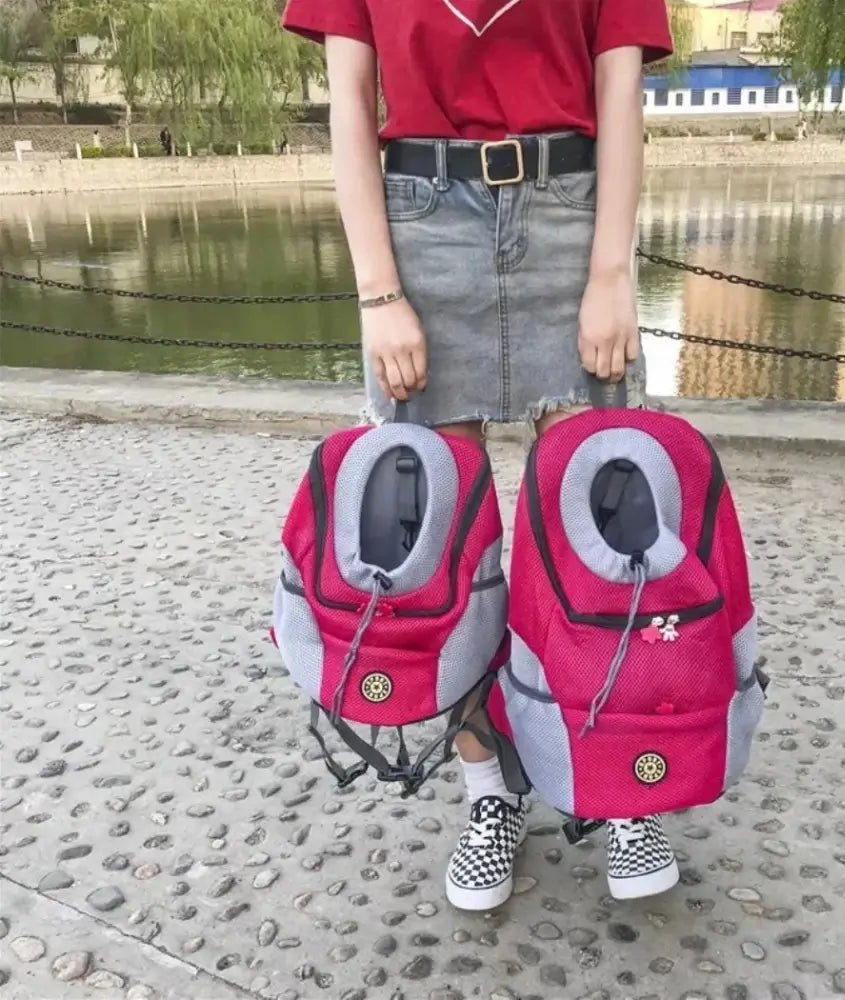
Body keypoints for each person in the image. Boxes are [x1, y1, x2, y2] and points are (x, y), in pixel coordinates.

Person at [281, 0, 676, 910]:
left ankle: (615, 777)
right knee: (435, 562)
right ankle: (492, 795)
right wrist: (378, 291)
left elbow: (620, 88)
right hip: (420, 229)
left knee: (604, 537)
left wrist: (612, 272)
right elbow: (350, 97)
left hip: (569, 220)